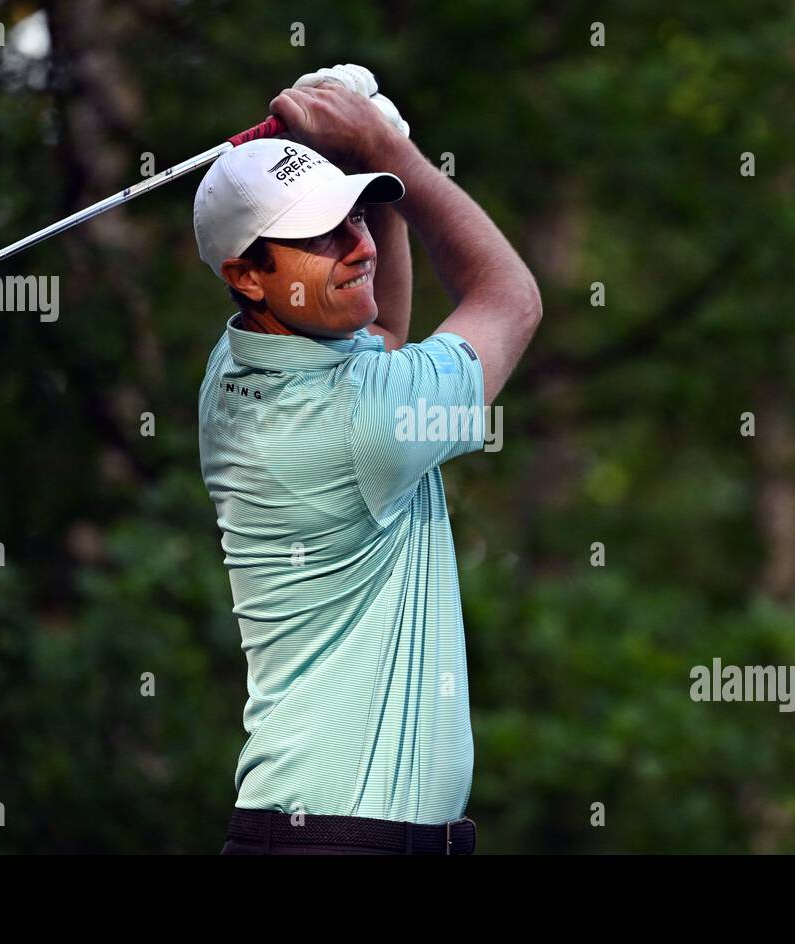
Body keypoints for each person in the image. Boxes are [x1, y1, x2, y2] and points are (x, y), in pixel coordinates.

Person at [194, 65, 541, 854]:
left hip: (314, 831)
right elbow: (510, 299)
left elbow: (378, 334)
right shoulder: (366, 419)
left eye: (356, 217)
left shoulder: (236, 366)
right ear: (247, 275)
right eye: (319, 235)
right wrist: (395, 153)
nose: (357, 246)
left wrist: (362, 167)